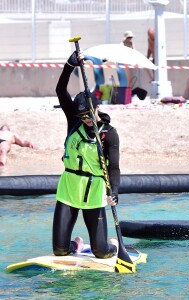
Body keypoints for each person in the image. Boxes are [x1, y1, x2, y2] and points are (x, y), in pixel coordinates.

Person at [53, 50, 120, 258]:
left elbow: (114, 167)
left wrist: (114, 191)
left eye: (89, 115)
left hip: (94, 190)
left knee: (101, 252)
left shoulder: (109, 134)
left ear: (97, 109)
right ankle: (77, 245)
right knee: (60, 250)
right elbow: (60, 90)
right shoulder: (74, 121)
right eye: (82, 116)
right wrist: (69, 65)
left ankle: (114, 246)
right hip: (69, 187)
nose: (86, 120)